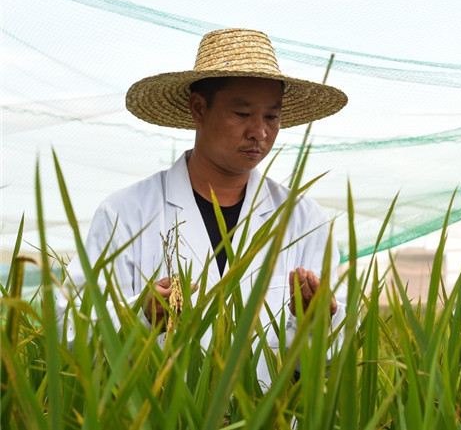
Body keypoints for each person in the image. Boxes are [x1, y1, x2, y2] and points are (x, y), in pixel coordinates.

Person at [56, 28, 348, 387]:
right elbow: (69, 333)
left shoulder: (304, 220)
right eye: (242, 113)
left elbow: (332, 361)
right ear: (199, 108)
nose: (259, 131)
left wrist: (318, 323)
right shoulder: (125, 213)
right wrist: (142, 316)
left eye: (272, 117)